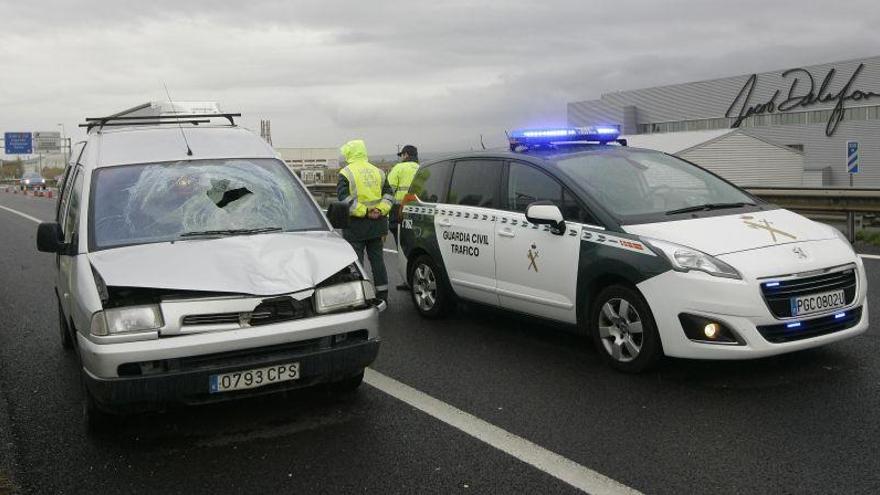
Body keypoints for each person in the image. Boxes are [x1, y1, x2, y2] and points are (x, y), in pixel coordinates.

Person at [337, 139, 394, 302]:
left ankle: (360, 297)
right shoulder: (379, 171)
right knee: (377, 261)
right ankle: (382, 295)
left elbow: (344, 199)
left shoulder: (346, 172)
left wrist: (365, 211)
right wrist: (379, 209)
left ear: (349, 153)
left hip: (356, 226)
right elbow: (389, 195)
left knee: (356, 263)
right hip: (378, 224)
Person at [387, 144, 421, 290]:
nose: (401, 157)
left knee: (401, 245)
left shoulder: (399, 168)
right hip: (420, 211)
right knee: (418, 246)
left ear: (406, 155)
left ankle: (407, 280)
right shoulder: (423, 169)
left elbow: (388, 189)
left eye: (401, 154)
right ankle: (417, 279)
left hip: (399, 210)